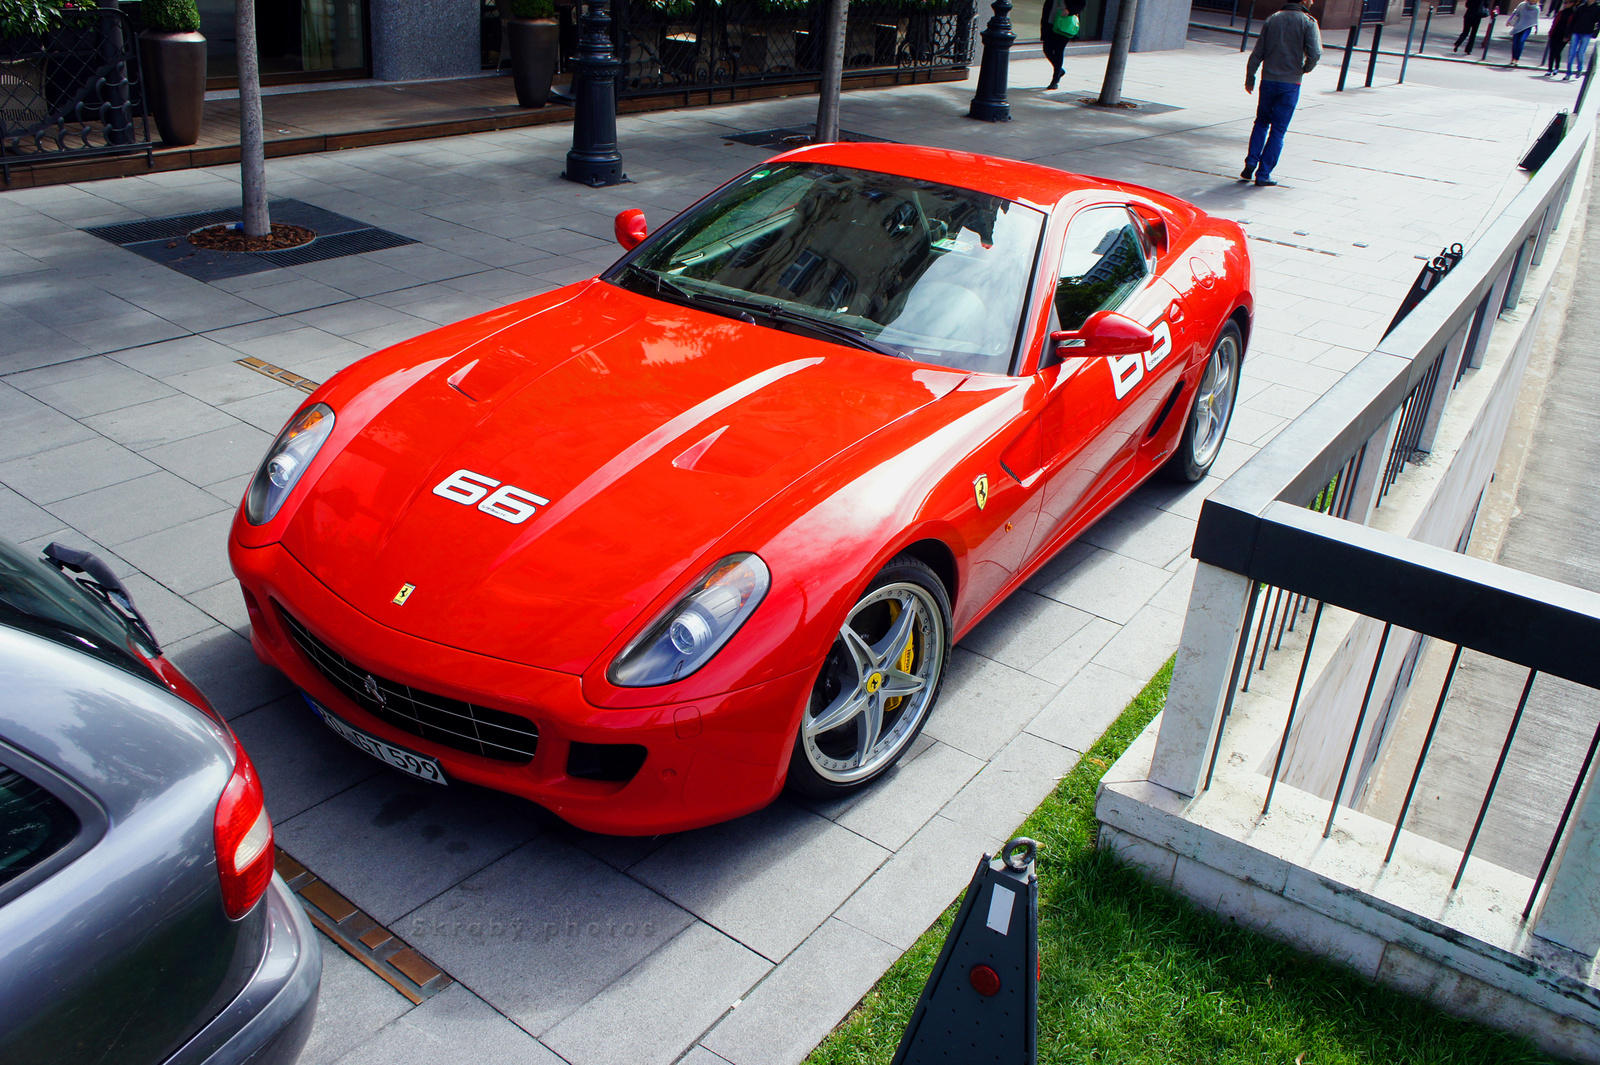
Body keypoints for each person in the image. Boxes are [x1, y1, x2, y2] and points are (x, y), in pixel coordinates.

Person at [1242, 0, 1321, 188]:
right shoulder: (1309, 22)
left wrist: (1250, 76)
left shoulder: (1273, 19)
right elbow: (1315, 52)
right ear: (1303, 1)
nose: (1313, 1)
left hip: (1268, 79)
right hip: (1290, 82)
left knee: (1261, 123)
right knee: (1278, 130)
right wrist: (1305, 69)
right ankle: (1263, 174)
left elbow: (1258, 51)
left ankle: (1251, 162)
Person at [1040, 0, 1086, 90]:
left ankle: (1055, 80)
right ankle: (1060, 70)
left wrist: (1070, 10)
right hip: (1050, 23)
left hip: (1065, 24)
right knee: (1047, 49)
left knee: (1058, 50)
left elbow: (1081, 4)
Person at [1566, 0, 1600, 76]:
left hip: (1587, 33)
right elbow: (1573, 20)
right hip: (1576, 31)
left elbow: (1598, 22)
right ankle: (1568, 72)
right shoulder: (1581, 7)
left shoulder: (1597, 8)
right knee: (1571, 52)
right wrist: (1568, 33)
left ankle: (1579, 69)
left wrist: (1595, 33)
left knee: (1580, 53)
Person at [1545, 0, 1575, 71]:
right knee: (1552, 52)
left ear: (1572, 3)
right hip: (1555, 34)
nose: (1565, 4)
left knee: (1558, 52)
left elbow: (1572, 26)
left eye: (1567, 3)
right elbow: (1554, 23)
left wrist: (1568, 36)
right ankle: (1549, 69)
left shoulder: (1573, 14)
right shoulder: (1560, 12)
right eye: (1565, 3)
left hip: (1564, 36)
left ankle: (1556, 68)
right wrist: (1550, 32)